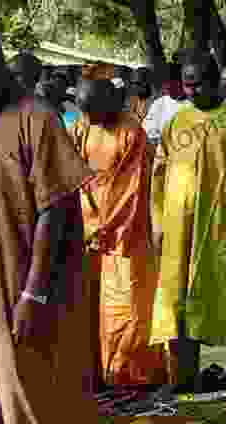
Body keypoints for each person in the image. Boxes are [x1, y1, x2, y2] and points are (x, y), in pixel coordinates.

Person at [0, 35, 97, 424]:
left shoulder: (37, 119)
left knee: (28, 409)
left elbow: (57, 208)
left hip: (23, 293)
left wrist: (34, 293)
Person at [149, 52, 226, 394]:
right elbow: (158, 176)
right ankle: (184, 380)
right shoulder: (176, 122)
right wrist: (158, 224)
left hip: (223, 232)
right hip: (179, 235)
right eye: (187, 84)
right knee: (178, 306)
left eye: (198, 83)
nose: (192, 90)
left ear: (216, 82)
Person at [72, 78, 167, 387]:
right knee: (88, 307)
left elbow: (131, 189)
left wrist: (102, 228)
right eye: (86, 113)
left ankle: (134, 376)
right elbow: (72, 174)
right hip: (87, 235)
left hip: (124, 237)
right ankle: (96, 373)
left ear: (111, 103)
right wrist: (84, 225)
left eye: (96, 113)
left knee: (127, 309)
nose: (92, 120)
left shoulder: (132, 133)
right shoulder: (82, 127)